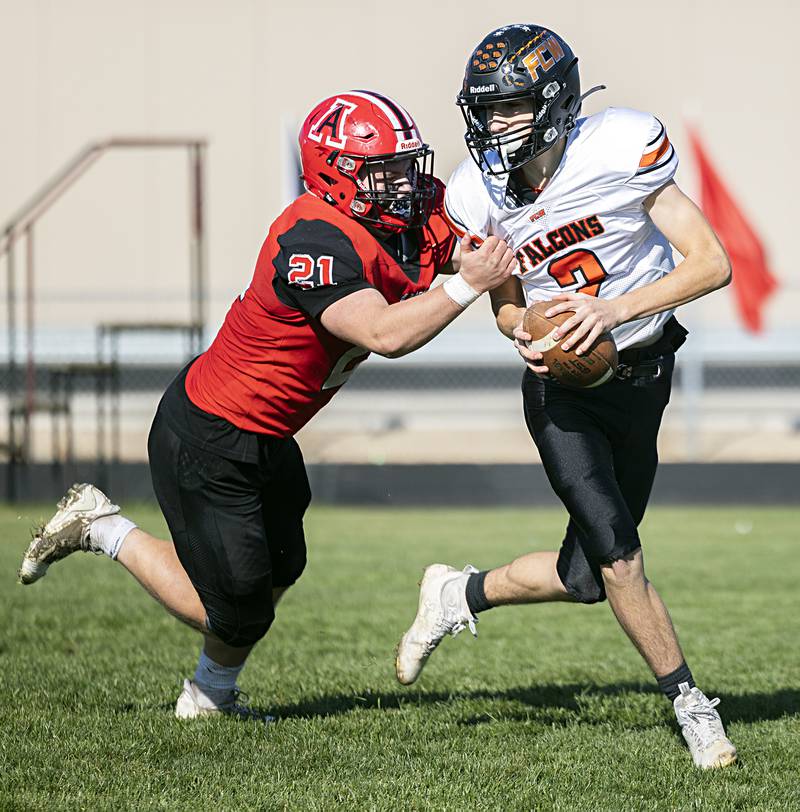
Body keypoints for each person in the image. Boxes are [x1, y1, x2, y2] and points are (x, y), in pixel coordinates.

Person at [18, 90, 516, 720]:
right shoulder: (313, 236)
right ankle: (100, 526)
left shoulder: (408, 216)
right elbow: (386, 334)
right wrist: (468, 283)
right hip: (209, 435)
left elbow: (488, 248)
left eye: (406, 165)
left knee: (283, 567)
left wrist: (517, 308)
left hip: (269, 433)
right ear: (338, 173)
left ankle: (209, 696)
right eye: (384, 170)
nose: (405, 184)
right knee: (231, 607)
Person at [394, 25, 737, 769]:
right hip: (563, 392)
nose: (494, 126)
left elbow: (712, 264)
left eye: (510, 108)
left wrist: (612, 310)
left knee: (586, 577)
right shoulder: (473, 191)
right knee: (621, 561)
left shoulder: (618, 149)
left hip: (643, 373)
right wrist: (525, 330)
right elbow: (509, 306)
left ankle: (460, 592)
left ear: (553, 103)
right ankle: (691, 705)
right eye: (485, 111)